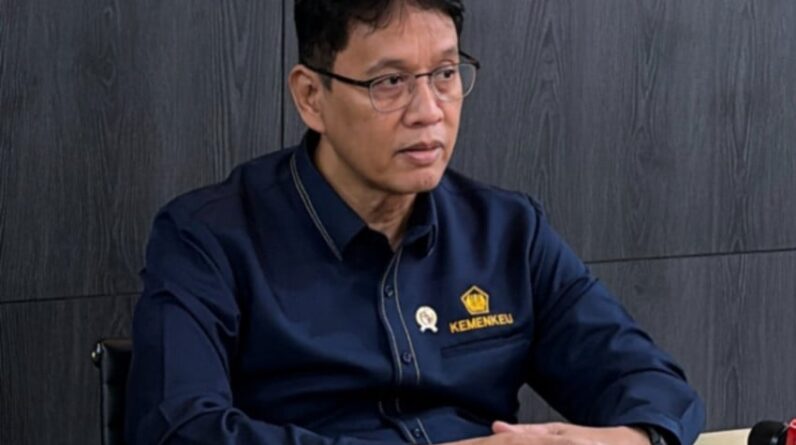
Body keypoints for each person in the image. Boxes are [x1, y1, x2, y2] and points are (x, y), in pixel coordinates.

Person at [125, 1, 706, 444]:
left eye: (445, 74)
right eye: (390, 82)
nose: (429, 112)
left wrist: (633, 438)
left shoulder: (508, 230)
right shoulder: (208, 236)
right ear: (311, 97)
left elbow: (648, 381)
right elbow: (176, 427)